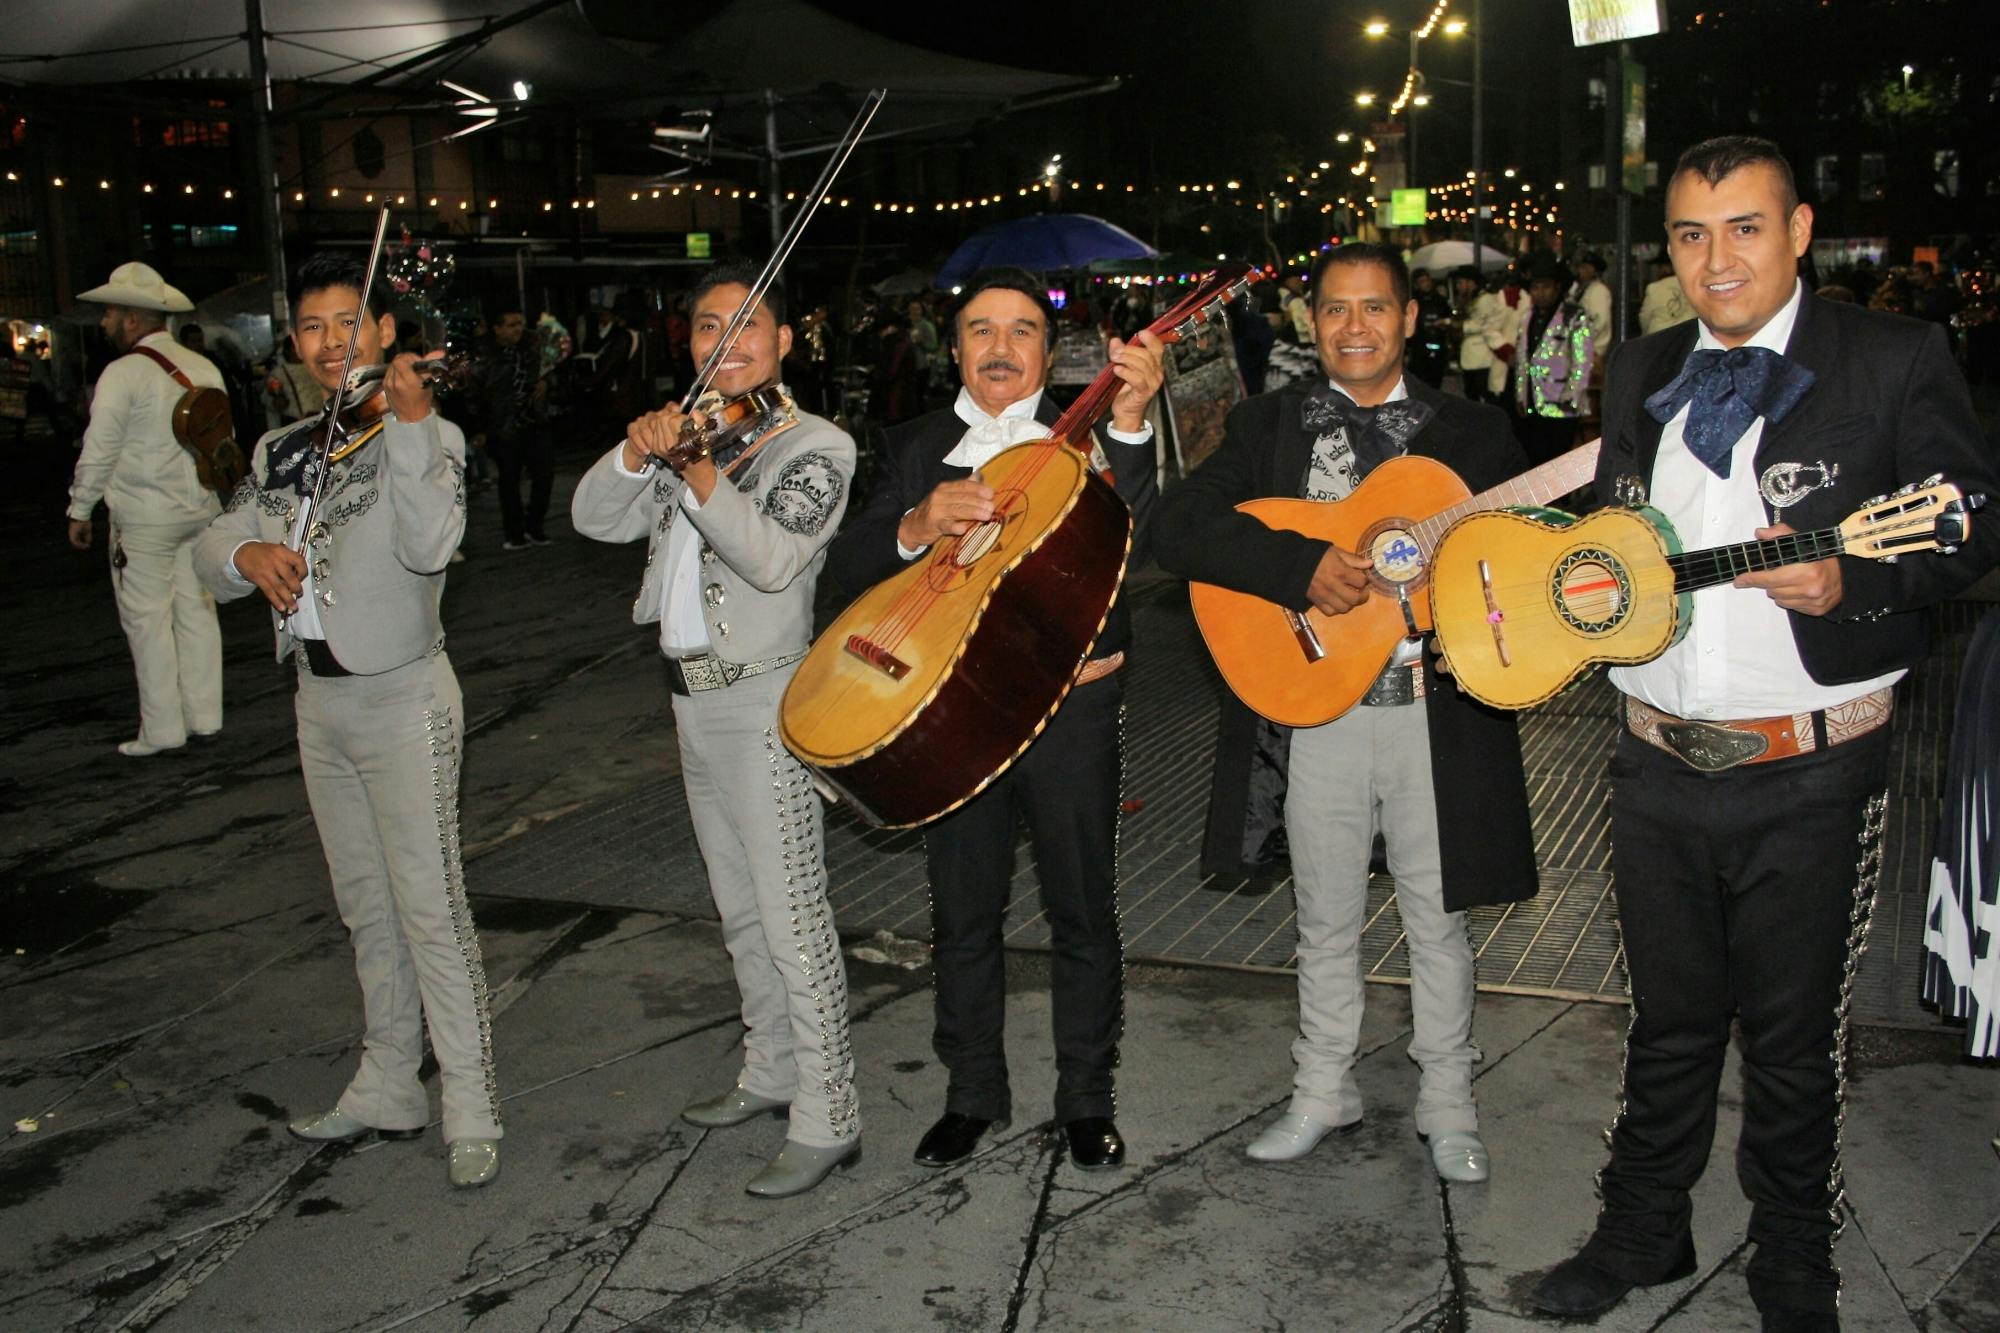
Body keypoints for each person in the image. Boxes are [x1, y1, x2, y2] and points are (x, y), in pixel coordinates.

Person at [1526, 136, 2000, 1332]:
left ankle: (1790, 1253)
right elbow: (1616, 528)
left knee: (1791, 1040)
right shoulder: (1638, 364)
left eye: (1743, 227)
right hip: (1650, 756)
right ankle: (1642, 1227)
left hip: (1812, 761)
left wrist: (1857, 588)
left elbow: (1968, 522)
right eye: (1690, 234)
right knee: (1666, 1022)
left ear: (1796, 232)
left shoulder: (1893, 357)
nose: (1714, 258)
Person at [1153, 242, 1538, 1184]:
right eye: (1334, 309)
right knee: (1322, 914)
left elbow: (1520, 569)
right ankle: (1323, 1087)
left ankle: (1449, 1100)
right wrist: (1300, 569)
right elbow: (1176, 527)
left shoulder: (1477, 433)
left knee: (1437, 918)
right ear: (1308, 321)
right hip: (1316, 706)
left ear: (1410, 319)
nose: (1354, 327)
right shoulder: (1264, 426)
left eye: (1374, 309)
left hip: (1435, 712)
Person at [824, 266, 1165, 1173]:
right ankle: (972, 1093)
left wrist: (1129, 427)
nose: (1001, 347)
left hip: (1071, 710)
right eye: (982, 329)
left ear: (1050, 355)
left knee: (1082, 909)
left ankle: (1087, 1099)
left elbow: (1143, 550)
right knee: (962, 912)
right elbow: (843, 571)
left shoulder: (1090, 438)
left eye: (1021, 331)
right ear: (956, 348)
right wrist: (914, 522)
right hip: (955, 717)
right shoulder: (914, 443)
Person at [192, 252, 503, 1189]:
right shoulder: (284, 445)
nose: (333, 342)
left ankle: (473, 1102)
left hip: (405, 695)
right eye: (315, 328)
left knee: (431, 906)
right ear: (295, 342)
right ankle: (387, 1084)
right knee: (365, 906)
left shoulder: (426, 430)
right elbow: (213, 546)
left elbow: (431, 543)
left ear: (385, 334)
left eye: (349, 324)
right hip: (317, 697)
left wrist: (409, 429)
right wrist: (247, 549)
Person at [571, 260, 861, 1198]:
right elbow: (592, 518)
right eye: (706, 326)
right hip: (692, 701)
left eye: (745, 326)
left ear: (784, 341)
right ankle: (769, 1067)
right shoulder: (691, 432)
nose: (724, 343)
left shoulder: (815, 444)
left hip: (767, 702)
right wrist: (636, 451)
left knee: (791, 916)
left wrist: (694, 465)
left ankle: (830, 1112)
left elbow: (774, 560)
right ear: (686, 342)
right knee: (738, 908)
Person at [65, 261, 228, 757]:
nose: (105, 322)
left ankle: (161, 730)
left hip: (143, 519)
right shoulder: (204, 368)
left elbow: (100, 448)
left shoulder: (123, 374)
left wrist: (80, 507)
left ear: (133, 319)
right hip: (199, 510)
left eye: (111, 313)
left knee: (147, 621)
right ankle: (205, 717)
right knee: (197, 614)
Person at [471, 307, 551, 550]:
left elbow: (544, 373)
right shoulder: (484, 355)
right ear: (497, 328)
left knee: (544, 475)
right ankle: (514, 533)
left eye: (519, 324)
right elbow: (475, 394)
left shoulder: (529, 348)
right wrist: (479, 429)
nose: (517, 329)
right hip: (503, 425)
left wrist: (544, 384)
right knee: (510, 480)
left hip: (533, 420)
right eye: (511, 324)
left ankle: (534, 526)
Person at [1512, 254, 1596, 466]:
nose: (1540, 293)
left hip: (1561, 404)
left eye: (1545, 287)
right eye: (1535, 288)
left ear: (1557, 287)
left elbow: (1583, 361)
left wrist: (1571, 396)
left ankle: (1561, 501)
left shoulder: (1574, 315)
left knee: (1557, 462)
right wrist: (1521, 394)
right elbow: (1522, 358)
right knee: (1533, 459)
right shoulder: (1527, 316)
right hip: (1533, 401)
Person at [1449, 267, 1506, 406]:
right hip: (1472, 358)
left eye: (1460, 283)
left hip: (1482, 358)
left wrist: (1461, 326)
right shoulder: (1471, 300)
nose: (1459, 287)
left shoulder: (1485, 299)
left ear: (1471, 283)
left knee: (1483, 394)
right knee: (1472, 394)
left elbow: (1485, 324)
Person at [1638, 255, 1695, 334]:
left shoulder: (1654, 288)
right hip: (1688, 336)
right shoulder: (1694, 286)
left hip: (1659, 335)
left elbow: (1644, 318)